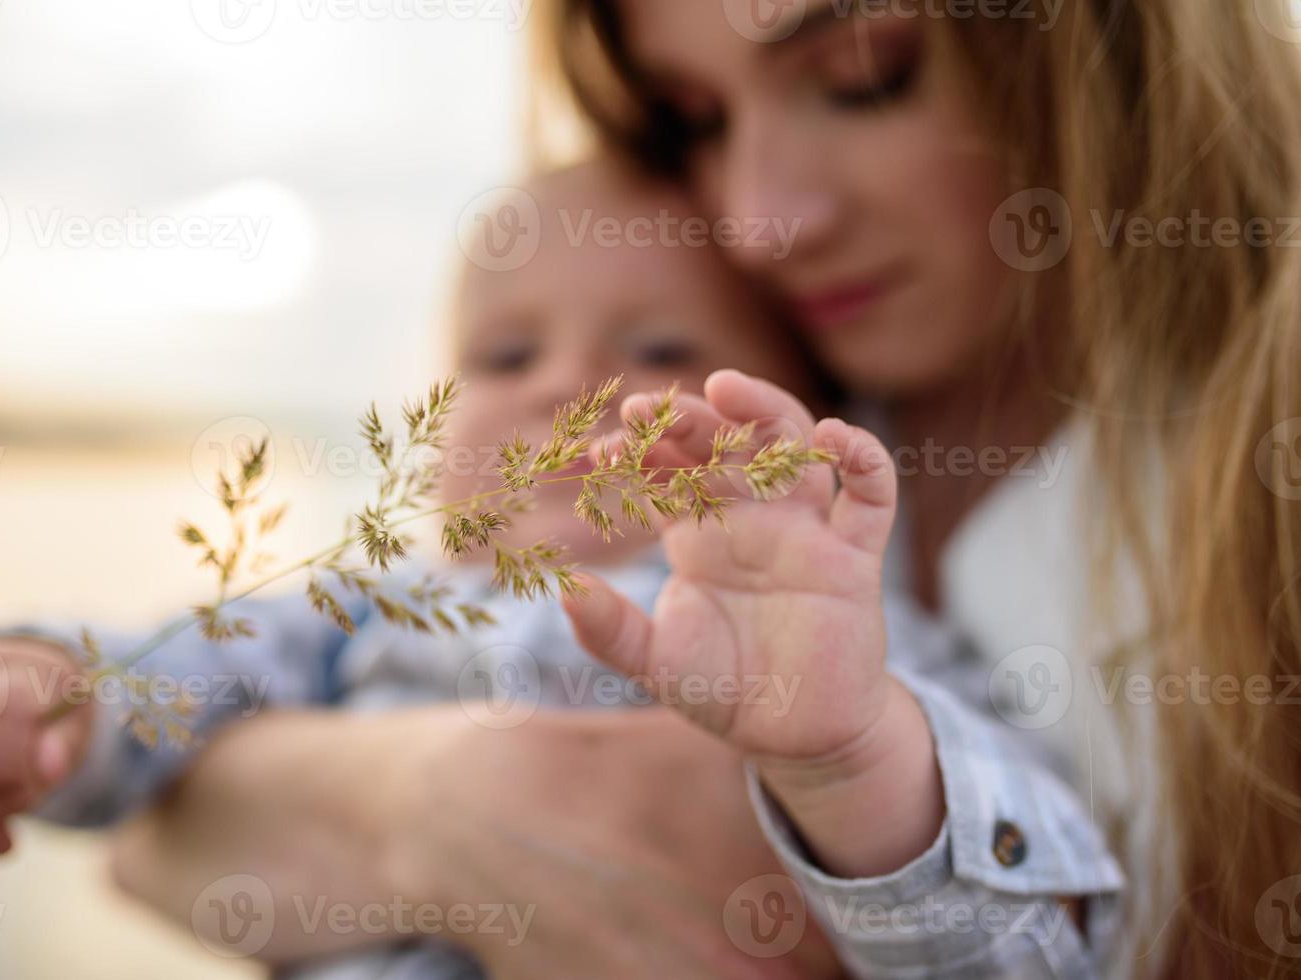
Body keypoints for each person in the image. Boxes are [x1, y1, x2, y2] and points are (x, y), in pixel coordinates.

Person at [103, 2, 1301, 978]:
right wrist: (451, 798)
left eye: (866, 72)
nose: (760, 218)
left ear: (1104, 47)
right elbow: (149, 838)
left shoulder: (1236, 480)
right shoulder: (732, 436)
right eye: (690, 119)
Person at [0, 156, 844, 975]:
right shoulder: (377, 601)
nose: (563, 387)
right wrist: (49, 689)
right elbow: (192, 673)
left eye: (661, 348)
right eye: (506, 355)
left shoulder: (815, 615)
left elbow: (943, 786)